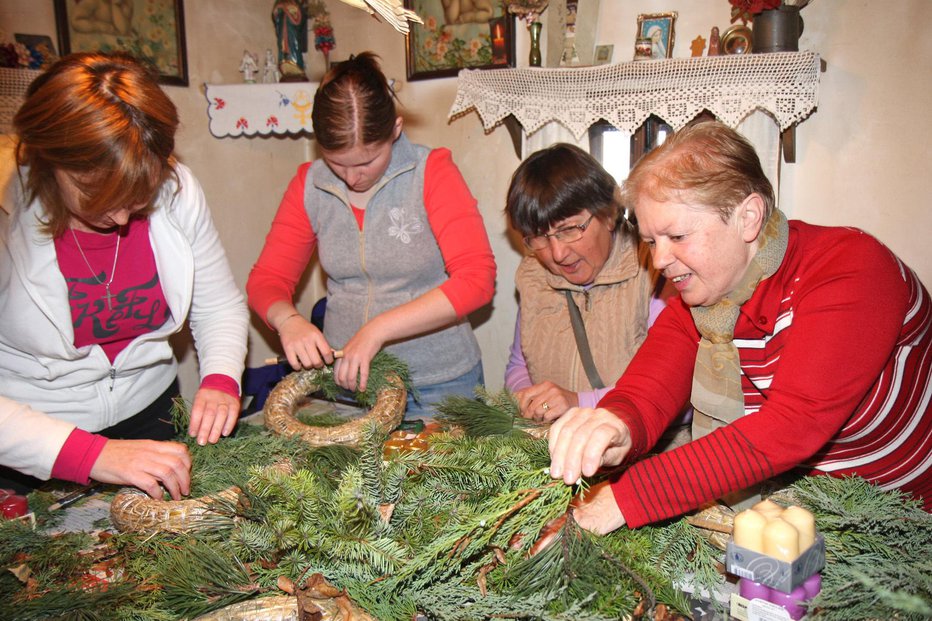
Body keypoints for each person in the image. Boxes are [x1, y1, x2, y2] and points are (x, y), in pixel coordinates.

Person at [547, 121, 931, 531]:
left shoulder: (851, 269)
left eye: (677, 235)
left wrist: (627, 499)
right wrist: (617, 423)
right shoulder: (705, 296)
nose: (658, 261)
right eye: (651, 241)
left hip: (906, 523)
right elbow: (649, 387)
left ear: (748, 218)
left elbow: (789, 428)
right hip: (802, 512)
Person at [0, 52, 249, 500]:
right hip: (32, 446)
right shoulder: (6, 217)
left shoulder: (177, 189)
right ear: (50, 164)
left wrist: (220, 379)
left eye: (139, 198)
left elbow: (218, 305)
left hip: (150, 413)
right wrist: (90, 455)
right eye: (99, 197)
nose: (120, 218)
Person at [247, 52, 495, 419]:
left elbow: (477, 280)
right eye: (337, 162)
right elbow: (267, 280)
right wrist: (288, 321)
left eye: (366, 161)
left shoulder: (432, 172)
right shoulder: (309, 185)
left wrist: (378, 329)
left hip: (438, 385)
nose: (352, 177)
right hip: (350, 389)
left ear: (395, 130)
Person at [504, 143, 666, 422]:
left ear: (609, 214)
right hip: (555, 451)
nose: (557, 253)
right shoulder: (533, 276)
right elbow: (519, 365)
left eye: (569, 229)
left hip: (642, 452)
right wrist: (528, 398)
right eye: (539, 237)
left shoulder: (654, 270)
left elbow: (674, 393)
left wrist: (580, 403)